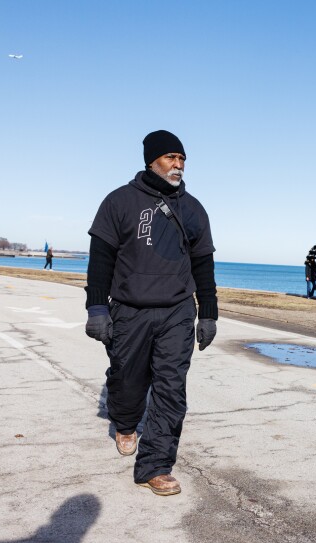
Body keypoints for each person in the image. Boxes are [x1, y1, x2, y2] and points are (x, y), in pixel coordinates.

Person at [84, 130, 217, 496]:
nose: (178, 164)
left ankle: (156, 466)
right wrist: (97, 307)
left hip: (176, 311)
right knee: (127, 381)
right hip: (129, 309)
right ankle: (125, 423)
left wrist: (208, 312)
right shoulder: (119, 201)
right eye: (171, 157)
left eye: (182, 158)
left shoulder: (193, 208)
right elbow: (101, 260)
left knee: (171, 389)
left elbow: (203, 264)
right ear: (151, 160)